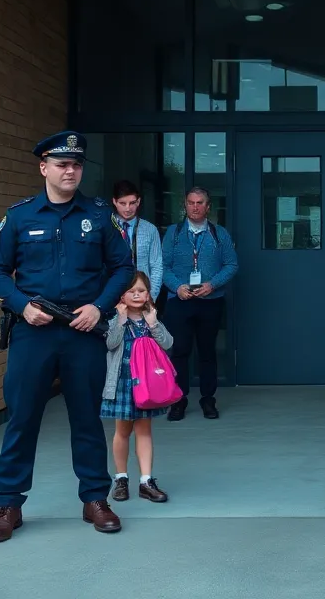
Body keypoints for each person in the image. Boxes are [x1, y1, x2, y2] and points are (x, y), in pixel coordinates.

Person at [0, 131, 134, 542]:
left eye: (77, 164)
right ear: (44, 168)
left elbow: (123, 267)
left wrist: (99, 307)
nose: (71, 170)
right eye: (62, 164)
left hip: (83, 332)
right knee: (22, 417)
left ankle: (94, 499)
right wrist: (20, 305)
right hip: (34, 332)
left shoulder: (100, 216)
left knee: (86, 418)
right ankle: (9, 504)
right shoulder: (20, 216)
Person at [160, 186, 238, 421]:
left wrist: (212, 284)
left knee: (207, 353)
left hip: (210, 301)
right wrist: (177, 287)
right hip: (180, 301)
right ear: (184, 205)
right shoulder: (173, 233)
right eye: (191, 202)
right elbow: (162, 266)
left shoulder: (219, 234)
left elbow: (232, 265)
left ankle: (208, 400)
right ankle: (178, 401)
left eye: (200, 202)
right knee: (179, 352)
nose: (195, 207)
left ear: (208, 206)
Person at [101, 271, 174, 504]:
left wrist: (154, 324)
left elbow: (168, 343)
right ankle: (121, 479)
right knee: (122, 431)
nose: (136, 294)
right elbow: (110, 343)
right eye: (131, 291)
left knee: (144, 431)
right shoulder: (114, 319)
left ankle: (146, 481)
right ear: (121, 295)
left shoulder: (151, 317)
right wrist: (120, 321)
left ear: (148, 294)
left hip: (147, 385)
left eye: (141, 290)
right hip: (123, 382)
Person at [110, 179, 163, 300]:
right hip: (112, 294)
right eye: (122, 203)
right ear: (114, 201)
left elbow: (156, 266)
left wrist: (151, 296)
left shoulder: (150, 229)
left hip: (142, 295)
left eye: (132, 203)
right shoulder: (106, 227)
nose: (128, 208)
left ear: (138, 202)